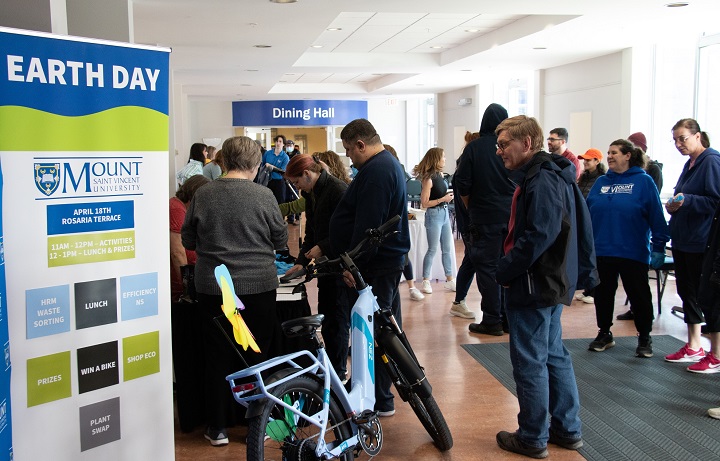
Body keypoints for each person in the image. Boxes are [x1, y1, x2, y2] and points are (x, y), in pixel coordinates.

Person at [494, 115, 598, 458]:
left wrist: (507, 268)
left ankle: (533, 436)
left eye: (504, 144)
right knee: (552, 355)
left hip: (534, 284)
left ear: (526, 144)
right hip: (548, 281)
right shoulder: (547, 175)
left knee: (530, 361)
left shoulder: (542, 179)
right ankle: (566, 430)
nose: (498, 152)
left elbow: (540, 233)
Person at [181, 136, 288, 446]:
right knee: (257, 354)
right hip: (259, 286)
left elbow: (188, 240)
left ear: (223, 162)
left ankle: (217, 428)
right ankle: (256, 425)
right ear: (255, 165)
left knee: (216, 355)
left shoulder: (203, 194)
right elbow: (281, 239)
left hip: (214, 288)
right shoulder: (265, 195)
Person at [328, 118, 411, 417]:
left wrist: (353, 266)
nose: (349, 157)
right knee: (384, 328)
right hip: (381, 264)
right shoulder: (383, 165)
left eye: (350, 150)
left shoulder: (377, 172)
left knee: (374, 334)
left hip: (374, 267)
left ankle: (379, 399)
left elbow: (369, 228)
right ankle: (378, 394)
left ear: (362, 145)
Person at [586, 139, 669, 358]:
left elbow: (656, 217)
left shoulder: (644, 182)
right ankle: (604, 333)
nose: (610, 156)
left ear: (628, 156)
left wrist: (659, 245)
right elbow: (587, 213)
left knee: (639, 295)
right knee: (602, 295)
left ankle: (644, 336)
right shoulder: (601, 182)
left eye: (614, 153)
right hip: (602, 250)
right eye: (608, 153)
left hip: (632, 251)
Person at [283, 154, 350, 379]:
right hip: (326, 267)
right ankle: (330, 369)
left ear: (307, 173)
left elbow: (348, 231)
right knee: (327, 317)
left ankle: (338, 372)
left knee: (338, 320)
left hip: (341, 265)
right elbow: (311, 231)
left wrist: (323, 246)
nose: (296, 186)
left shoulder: (337, 189)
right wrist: (300, 261)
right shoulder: (311, 193)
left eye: (296, 182)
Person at [664, 118, 720, 369]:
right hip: (683, 239)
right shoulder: (690, 164)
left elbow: (714, 202)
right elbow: (684, 196)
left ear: (697, 136)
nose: (678, 144)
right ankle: (694, 345)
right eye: (675, 139)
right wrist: (674, 205)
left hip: (702, 242)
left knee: (708, 298)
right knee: (688, 294)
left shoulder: (711, 161)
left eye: (682, 138)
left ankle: (715, 354)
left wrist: (687, 200)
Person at [453, 103, 513, 330]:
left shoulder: (475, 148)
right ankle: (507, 318)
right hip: (510, 218)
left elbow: (462, 184)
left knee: (487, 269)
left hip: (484, 217)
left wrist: (471, 209)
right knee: (508, 267)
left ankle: (492, 319)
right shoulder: (510, 147)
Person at [412, 148, 457, 296]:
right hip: (434, 214)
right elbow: (424, 203)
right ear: (436, 159)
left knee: (446, 248)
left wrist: (446, 198)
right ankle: (426, 280)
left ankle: (449, 279)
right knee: (432, 249)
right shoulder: (428, 179)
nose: (445, 159)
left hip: (444, 212)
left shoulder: (440, 176)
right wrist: (443, 199)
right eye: (443, 157)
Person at [384, 144, 424, 301]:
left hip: (394, 220)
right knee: (403, 256)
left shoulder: (393, 169)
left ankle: (411, 286)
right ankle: (411, 287)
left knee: (403, 256)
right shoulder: (398, 168)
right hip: (397, 218)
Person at [573, 148, 606, 305]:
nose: (585, 162)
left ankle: (593, 290)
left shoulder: (601, 179)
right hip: (583, 218)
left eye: (588, 160)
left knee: (593, 256)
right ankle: (587, 288)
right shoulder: (583, 177)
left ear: (597, 161)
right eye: (584, 160)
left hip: (594, 221)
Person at [170, 174, 210, 301]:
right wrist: (187, 288)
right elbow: (177, 252)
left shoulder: (182, 208)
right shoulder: (176, 209)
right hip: (180, 288)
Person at [262, 134, 290, 204]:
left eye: (280, 141)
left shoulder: (285, 157)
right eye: (277, 141)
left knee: (280, 202)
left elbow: (283, 171)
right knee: (267, 202)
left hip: (279, 182)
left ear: (283, 144)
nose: (278, 143)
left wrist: (271, 166)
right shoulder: (268, 153)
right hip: (267, 181)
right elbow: (262, 165)